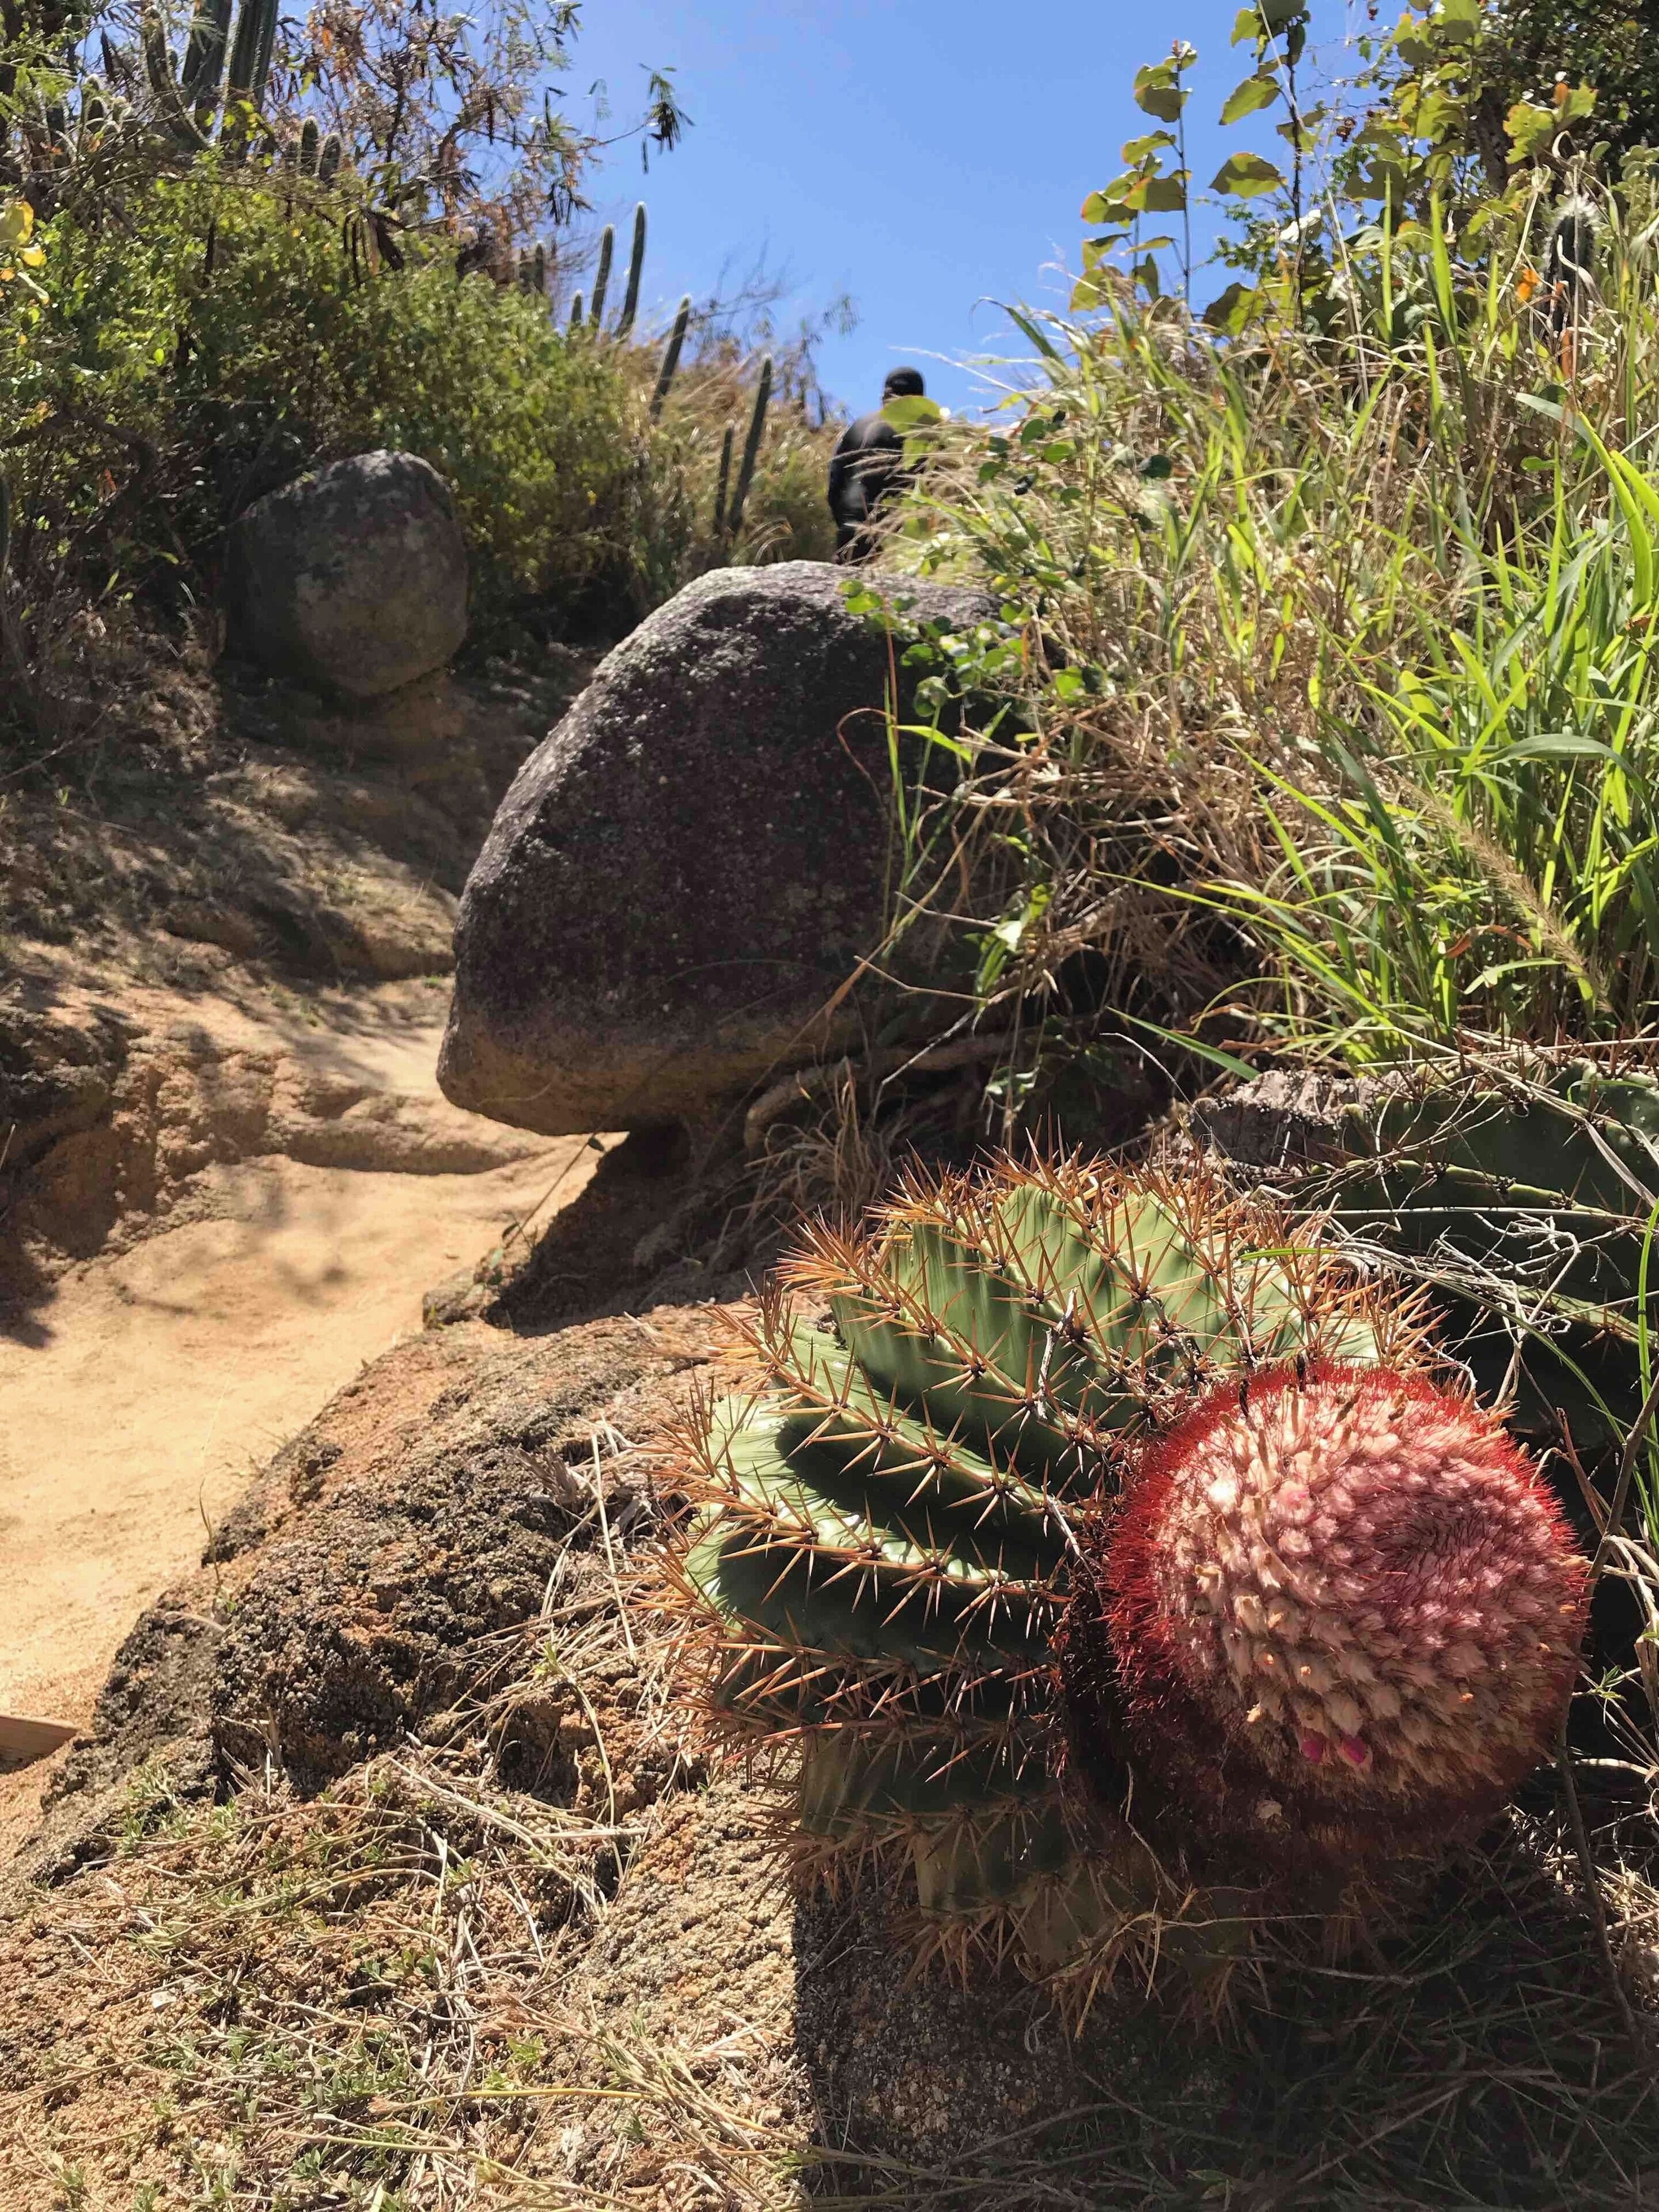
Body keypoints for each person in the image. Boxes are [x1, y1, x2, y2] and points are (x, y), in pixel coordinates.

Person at [827, 366, 926, 562]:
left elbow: (833, 485)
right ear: (920, 401)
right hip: (888, 540)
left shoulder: (858, 426)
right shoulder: (919, 432)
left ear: (884, 396)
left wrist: (846, 520)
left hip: (848, 529)